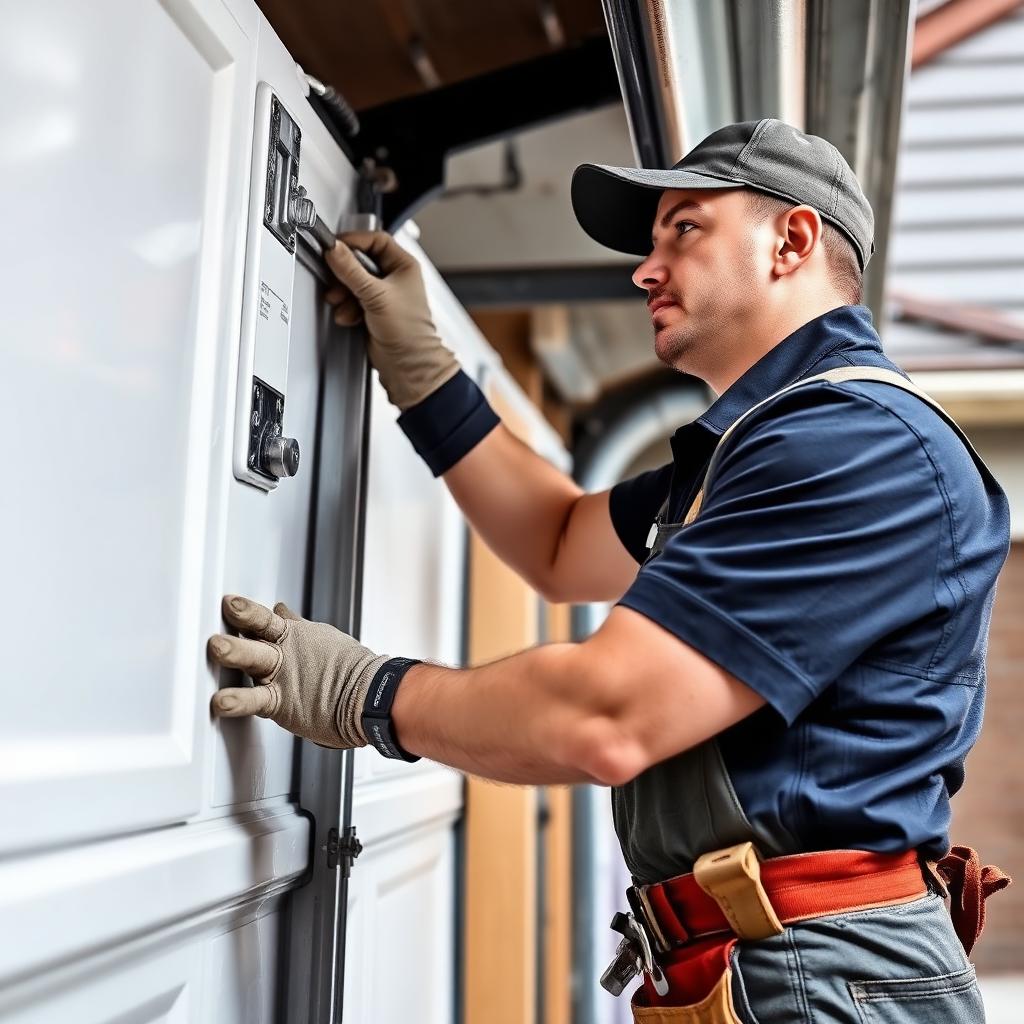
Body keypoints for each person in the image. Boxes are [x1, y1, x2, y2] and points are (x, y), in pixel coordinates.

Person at [207, 119, 1010, 1022]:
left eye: (685, 229)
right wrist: (421, 368)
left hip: (823, 977)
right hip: (762, 964)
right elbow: (556, 540)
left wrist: (364, 693)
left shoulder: (855, 448)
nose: (644, 267)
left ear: (791, 241)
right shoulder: (755, 450)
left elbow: (604, 716)